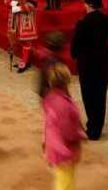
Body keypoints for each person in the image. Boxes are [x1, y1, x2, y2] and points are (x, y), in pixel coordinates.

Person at [71, 0, 108, 141]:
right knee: (100, 96)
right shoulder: (107, 20)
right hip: (103, 62)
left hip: (87, 64)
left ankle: (92, 128)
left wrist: (75, 55)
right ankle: (98, 127)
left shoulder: (82, 23)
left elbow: (75, 47)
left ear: (87, 4)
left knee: (89, 96)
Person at [42, 62, 86, 190]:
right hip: (64, 151)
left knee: (64, 180)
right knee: (65, 182)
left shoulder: (50, 98)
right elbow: (68, 131)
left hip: (55, 148)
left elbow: (48, 124)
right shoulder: (64, 105)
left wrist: (45, 142)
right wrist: (80, 135)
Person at [5, 0, 37, 73]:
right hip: (14, 18)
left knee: (26, 41)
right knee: (16, 38)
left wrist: (19, 7)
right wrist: (11, 2)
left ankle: (25, 61)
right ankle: (23, 59)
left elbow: (33, 5)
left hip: (25, 18)